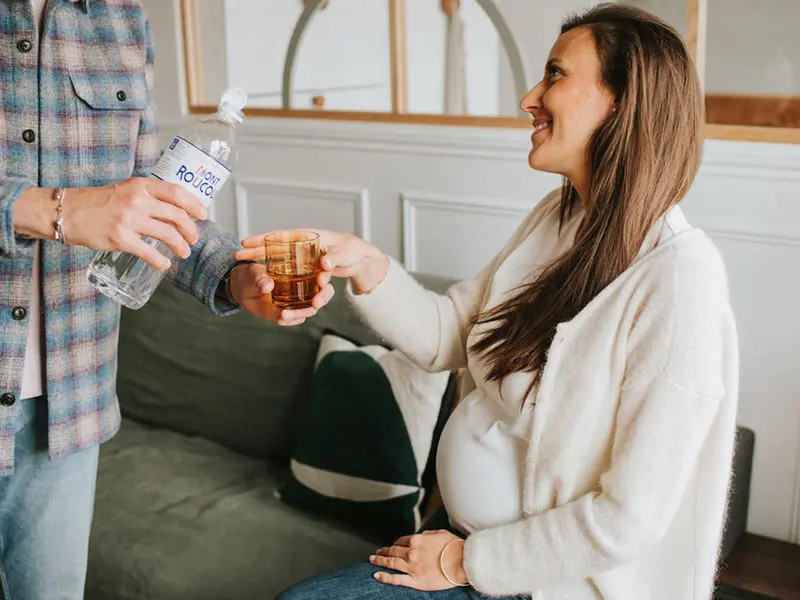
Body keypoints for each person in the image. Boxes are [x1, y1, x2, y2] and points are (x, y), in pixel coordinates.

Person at [239, 4, 739, 600]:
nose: (530, 97)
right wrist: (365, 262)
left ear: (622, 104)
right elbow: (450, 334)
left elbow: (630, 515)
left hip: (535, 581)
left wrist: (465, 563)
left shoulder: (681, 279)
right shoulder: (557, 219)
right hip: (459, 542)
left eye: (555, 74)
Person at [0, 1, 333, 598]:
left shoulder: (122, 18)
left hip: (71, 408)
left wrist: (235, 276)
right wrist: (58, 210)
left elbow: (152, 203)